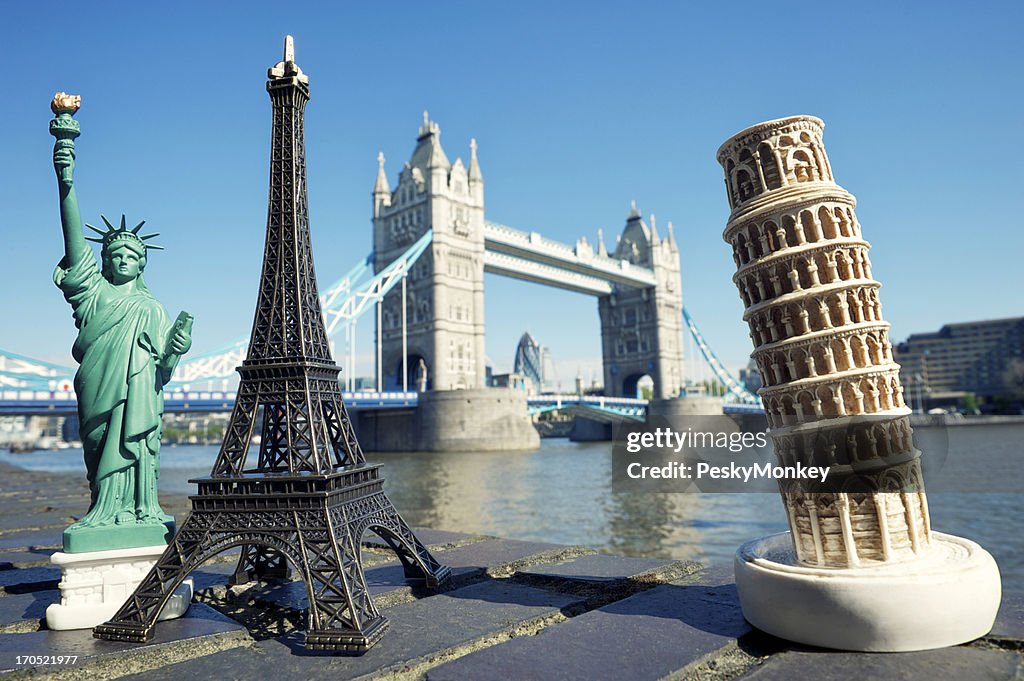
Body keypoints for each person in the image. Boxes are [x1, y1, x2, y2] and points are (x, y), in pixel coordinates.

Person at [52, 120, 191, 535]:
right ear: (105, 261)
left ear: (142, 262)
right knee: (98, 449)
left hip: (139, 397)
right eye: (115, 253)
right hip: (98, 387)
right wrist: (66, 180)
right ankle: (104, 508)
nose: (123, 259)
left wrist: (177, 349)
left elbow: (161, 370)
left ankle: (139, 510)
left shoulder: (151, 307)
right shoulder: (92, 292)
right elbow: (73, 238)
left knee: (139, 443)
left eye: (131, 254)